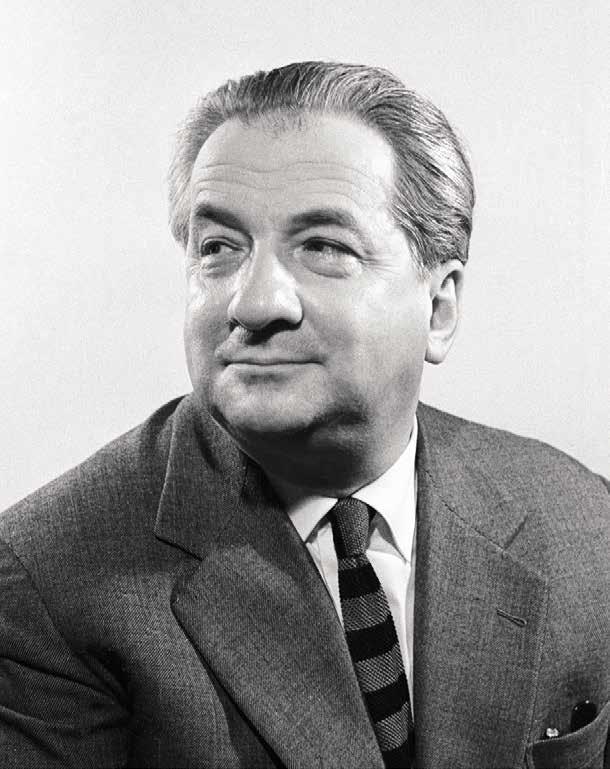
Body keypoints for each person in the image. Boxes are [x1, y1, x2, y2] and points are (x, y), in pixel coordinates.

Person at [0, 61, 608, 769]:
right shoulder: (48, 578)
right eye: (219, 249)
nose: (254, 303)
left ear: (439, 309)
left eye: (323, 247)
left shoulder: (583, 523)